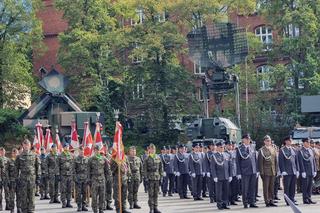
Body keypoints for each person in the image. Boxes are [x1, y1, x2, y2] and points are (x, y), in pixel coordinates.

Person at [15, 139, 40, 213]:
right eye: (25, 144)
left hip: (32, 178)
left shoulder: (34, 155)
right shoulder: (19, 156)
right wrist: (16, 178)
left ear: (30, 145)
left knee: (32, 194)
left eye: (28, 144)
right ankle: (24, 209)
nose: (26, 146)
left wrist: (38, 177)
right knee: (24, 195)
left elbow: (37, 166)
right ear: (23, 145)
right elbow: (16, 168)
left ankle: (31, 209)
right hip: (23, 178)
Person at [236, 134, 258, 208]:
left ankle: (252, 202)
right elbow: (237, 161)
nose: (249, 140)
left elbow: (255, 159)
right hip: (244, 171)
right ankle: (245, 203)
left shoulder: (252, 147)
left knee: (252, 187)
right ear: (243, 140)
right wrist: (238, 172)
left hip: (253, 170)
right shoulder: (239, 148)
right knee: (245, 188)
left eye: (249, 139)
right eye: (247, 139)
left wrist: (256, 170)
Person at [88, 145, 111, 213]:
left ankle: (101, 209)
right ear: (94, 151)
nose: (97, 151)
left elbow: (107, 170)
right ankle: (95, 209)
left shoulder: (103, 159)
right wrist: (88, 180)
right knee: (94, 196)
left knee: (102, 195)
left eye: (98, 150)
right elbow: (88, 171)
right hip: (94, 179)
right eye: (95, 150)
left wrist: (107, 179)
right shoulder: (90, 159)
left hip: (102, 179)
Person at [258, 135, 278, 207]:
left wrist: (276, 170)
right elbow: (260, 163)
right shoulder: (261, 150)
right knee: (266, 187)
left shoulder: (273, 149)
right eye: (267, 141)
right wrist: (261, 172)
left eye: (269, 140)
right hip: (265, 172)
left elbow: (275, 161)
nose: (268, 142)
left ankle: (271, 200)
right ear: (264, 142)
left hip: (273, 171)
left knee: (271, 187)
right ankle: (267, 201)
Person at [211, 140, 231, 210]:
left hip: (226, 176)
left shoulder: (227, 155)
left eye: (223, 147)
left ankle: (225, 204)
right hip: (219, 176)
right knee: (219, 192)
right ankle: (219, 204)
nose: (222, 148)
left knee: (226, 191)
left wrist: (230, 175)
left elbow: (229, 166)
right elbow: (212, 167)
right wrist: (214, 176)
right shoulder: (214, 156)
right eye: (221, 147)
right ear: (217, 147)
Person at [278, 136, 299, 205]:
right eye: (289, 140)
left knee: (293, 187)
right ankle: (288, 201)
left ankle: (292, 199)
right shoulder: (282, 150)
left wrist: (298, 170)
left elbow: (296, 161)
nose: (290, 142)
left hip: (293, 171)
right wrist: (283, 170)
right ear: (286, 141)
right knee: (287, 187)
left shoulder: (294, 149)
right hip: (286, 171)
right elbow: (281, 161)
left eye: (291, 140)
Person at [143, 144, 163, 213]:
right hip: (150, 178)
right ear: (149, 150)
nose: (152, 150)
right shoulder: (146, 159)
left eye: (153, 149)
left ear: (155, 150)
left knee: (156, 194)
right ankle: (151, 208)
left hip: (157, 178)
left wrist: (161, 177)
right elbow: (144, 170)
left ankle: (155, 208)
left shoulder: (158, 157)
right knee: (151, 194)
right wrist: (146, 178)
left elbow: (161, 168)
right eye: (151, 149)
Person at [298, 138, 317, 204]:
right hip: (305, 171)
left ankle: (309, 198)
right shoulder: (300, 151)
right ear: (304, 143)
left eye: (309, 142)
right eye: (307, 142)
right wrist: (303, 171)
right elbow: (301, 162)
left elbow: (313, 160)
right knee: (305, 186)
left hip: (311, 171)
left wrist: (314, 170)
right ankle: (305, 199)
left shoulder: (311, 150)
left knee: (310, 186)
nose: (309, 143)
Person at [58, 143, 74, 208]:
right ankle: (64, 203)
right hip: (63, 175)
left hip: (70, 175)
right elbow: (57, 166)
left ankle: (69, 202)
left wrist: (73, 174)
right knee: (63, 190)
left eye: (67, 147)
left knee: (69, 189)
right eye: (65, 147)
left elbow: (73, 165)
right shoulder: (60, 156)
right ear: (63, 148)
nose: (66, 148)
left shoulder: (71, 155)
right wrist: (58, 175)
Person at [74, 146, 89, 211]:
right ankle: (79, 206)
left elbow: (88, 169)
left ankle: (83, 205)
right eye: (80, 151)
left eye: (82, 151)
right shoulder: (76, 159)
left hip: (85, 178)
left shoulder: (86, 159)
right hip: (78, 178)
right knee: (78, 193)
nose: (82, 152)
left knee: (84, 193)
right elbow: (73, 170)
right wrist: (75, 178)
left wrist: (88, 178)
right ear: (79, 151)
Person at [225, 141, 238, 205]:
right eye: (229, 145)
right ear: (226, 146)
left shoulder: (234, 153)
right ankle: (227, 201)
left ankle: (233, 200)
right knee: (227, 188)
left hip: (234, 172)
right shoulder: (224, 153)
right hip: (227, 173)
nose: (230, 146)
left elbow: (236, 163)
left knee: (234, 187)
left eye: (231, 145)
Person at [6, 148, 18, 213]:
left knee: (19, 196)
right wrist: (8, 180)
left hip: (19, 181)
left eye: (16, 153)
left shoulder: (20, 160)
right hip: (12, 181)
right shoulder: (9, 161)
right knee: (12, 197)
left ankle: (19, 208)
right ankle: (12, 209)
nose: (15, 154)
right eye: (14, 153)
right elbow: (6, 171)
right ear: (12, 154)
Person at [103, 145, 113, 210]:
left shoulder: (110, 156)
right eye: (104, 148)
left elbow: (112, 164)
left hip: (109, 175)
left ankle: (108, 204)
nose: (105, 149)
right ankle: (103, 205)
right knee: (103, 191)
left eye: (106, 148)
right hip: (102, 175)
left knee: (109, 190)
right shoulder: (100, 156)